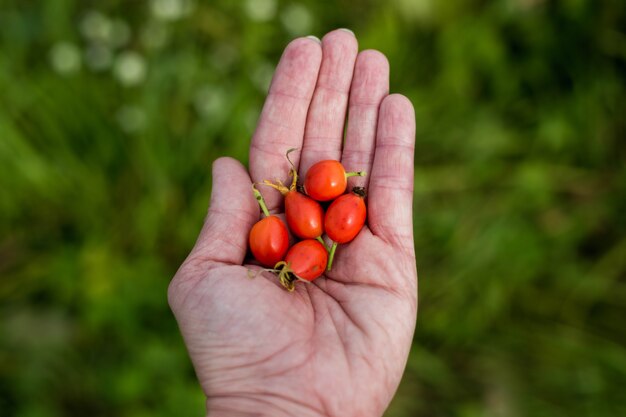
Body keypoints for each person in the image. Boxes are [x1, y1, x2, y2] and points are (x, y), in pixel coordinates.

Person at [168, 29, 417, 417]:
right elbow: (315, 236)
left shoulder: (316, 233)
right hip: (311, 245)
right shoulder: (319, 233)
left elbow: (314, 237)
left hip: (311, 244)